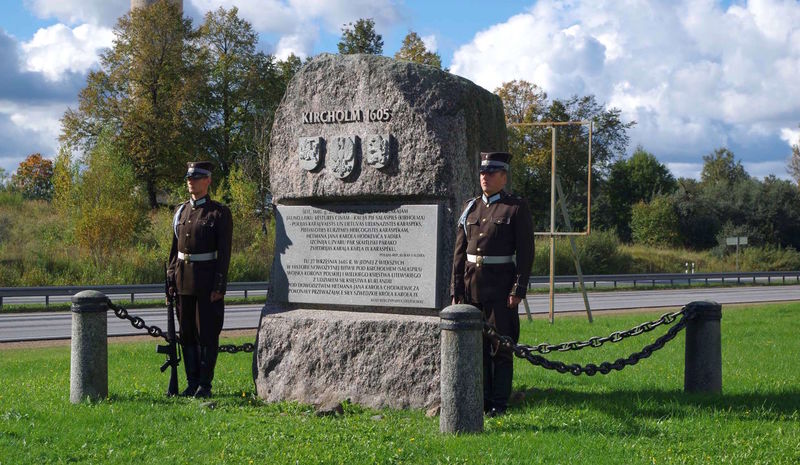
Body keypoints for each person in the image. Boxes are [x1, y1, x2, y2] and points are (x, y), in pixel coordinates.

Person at [450, 151, 534, 416]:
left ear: (503, 177)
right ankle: (482, 400)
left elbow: (526, 252)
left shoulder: (515, 208)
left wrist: (518, 289)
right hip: (472, 289)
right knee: (479, 349)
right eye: (482, 173)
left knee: (502, 347)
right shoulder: (470, 207)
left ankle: (499, 402)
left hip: (501, 291)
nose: (484, 177)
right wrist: (457, 291)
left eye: (491, 173)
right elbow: (460, 254)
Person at [167, 161, 233, 398]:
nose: (190, 182)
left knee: (206, 333)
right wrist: (171, 279)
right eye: (188, 178)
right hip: (183, 281)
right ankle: (192, 382)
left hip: (207, 284)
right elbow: (175, 250)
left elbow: (224, 254)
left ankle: (205, 384)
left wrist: (219, 285)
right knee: (186, 334)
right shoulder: (181, 212)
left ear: (208, 181)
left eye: (196, 178)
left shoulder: (219, 213)